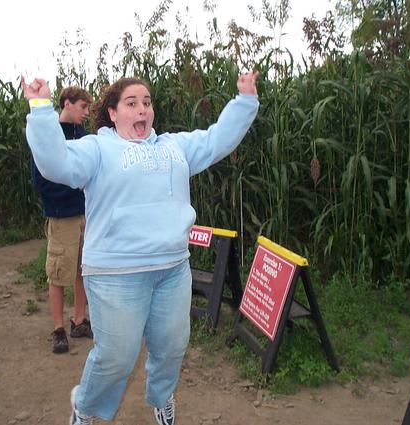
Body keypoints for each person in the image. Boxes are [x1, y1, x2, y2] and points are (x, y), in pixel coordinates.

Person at [23, 70, 259, 425]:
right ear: (113, 113)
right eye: (131, 103)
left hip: (172, 269)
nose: (142, 109)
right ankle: (84, 408)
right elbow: (56, 164)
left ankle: (162, 398)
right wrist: (41, 107)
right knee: (116, 358)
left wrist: (245, 101)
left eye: (146, 103)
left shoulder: (173, 147)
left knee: (172, 347)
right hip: (116, 273)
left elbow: (216, 140)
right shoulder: (97, 149)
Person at [30, 86, 94, 354]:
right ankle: (58, 330)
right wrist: (76, 187)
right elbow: (41, 181)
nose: (86, 113)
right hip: (61, 217)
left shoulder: (85, 137)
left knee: (84, 271)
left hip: (86, 216)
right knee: (58, 274)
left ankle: (79, 321)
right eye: (83, 107)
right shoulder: (49, 135)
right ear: (67, 103)